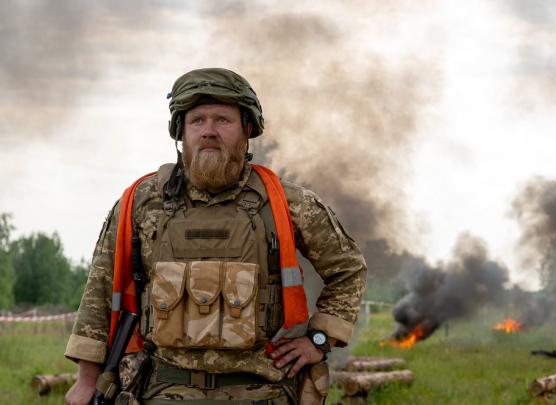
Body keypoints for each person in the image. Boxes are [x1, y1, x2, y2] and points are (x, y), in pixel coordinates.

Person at [64, 68, 367, 405]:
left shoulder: (286, 203)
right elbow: (100, 290)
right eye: (197, 121)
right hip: (163, 391)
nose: (208, 131)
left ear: (247, 129)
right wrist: (86, 379)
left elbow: (349, 269)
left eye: (222, 120)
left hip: (262, 391)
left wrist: (319, 340)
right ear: (180, 131)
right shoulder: (140, 202)